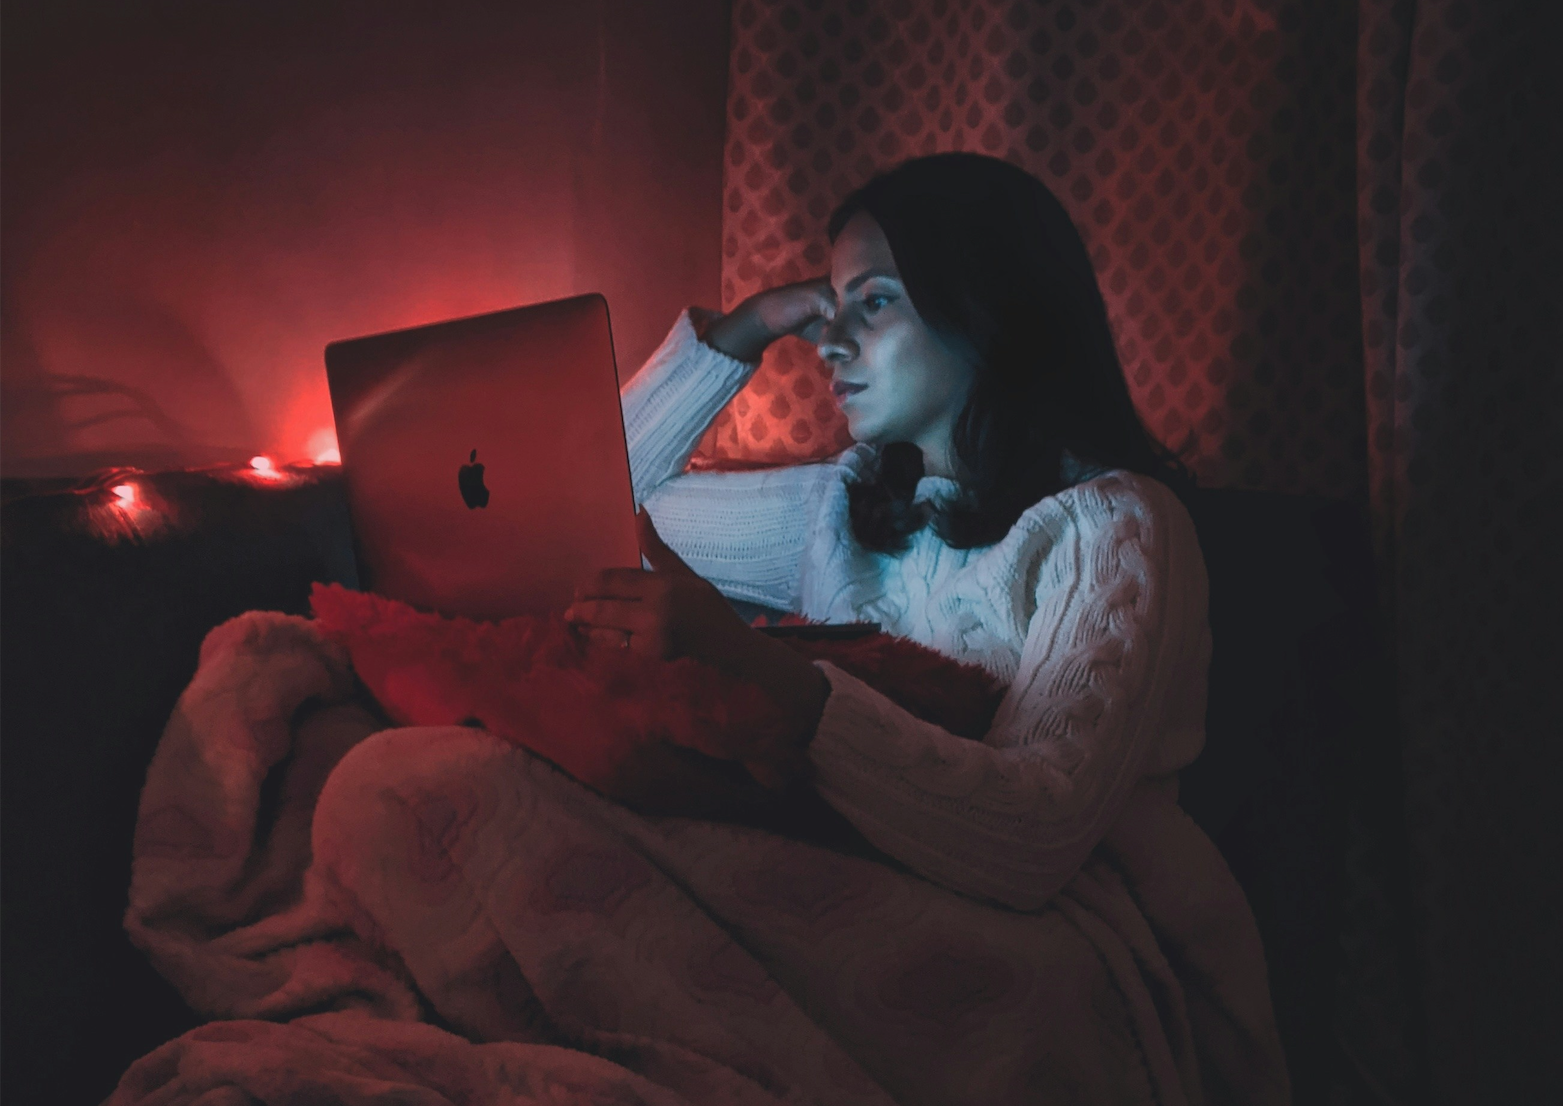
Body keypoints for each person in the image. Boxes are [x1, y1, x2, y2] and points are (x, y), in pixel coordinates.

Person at [324, 152, 1291, 1104]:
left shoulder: (1114, 526)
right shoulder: (845, 507)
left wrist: (755, 666)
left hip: (1070, 938)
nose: (831, 340)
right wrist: (738, 337)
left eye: (873, 302)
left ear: (988, 308)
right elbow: (600, 502)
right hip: (855, 878)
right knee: (422, 781)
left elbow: (1033, 842)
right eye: (828, 306)